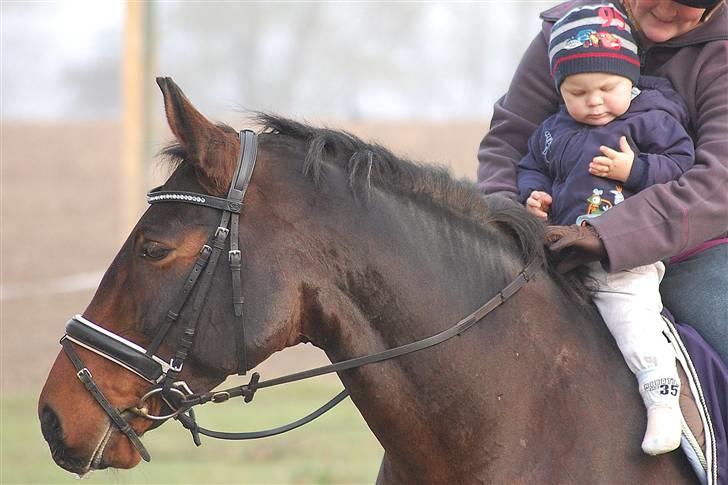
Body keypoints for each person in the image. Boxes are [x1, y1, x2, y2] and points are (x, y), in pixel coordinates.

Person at [477, 0, 728, 365]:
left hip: (694, 252)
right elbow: (509, 143)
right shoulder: (565, 31)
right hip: (552, 243)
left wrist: (605, 235)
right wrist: (513, 221)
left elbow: (718, 184)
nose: (667, 8)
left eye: (688, 1)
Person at [517, 3, 693, 455]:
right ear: (561, 91)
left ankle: (663, 402)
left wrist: (634, 170)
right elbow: (530, 165)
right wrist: (532, 197)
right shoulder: (553, 131)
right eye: (577, 92)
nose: (594, 101)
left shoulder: (651, 118)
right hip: (561, 257)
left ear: (630, 80)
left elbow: (681, 166)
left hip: (625, 260)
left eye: (607, 88)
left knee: (634, 322)